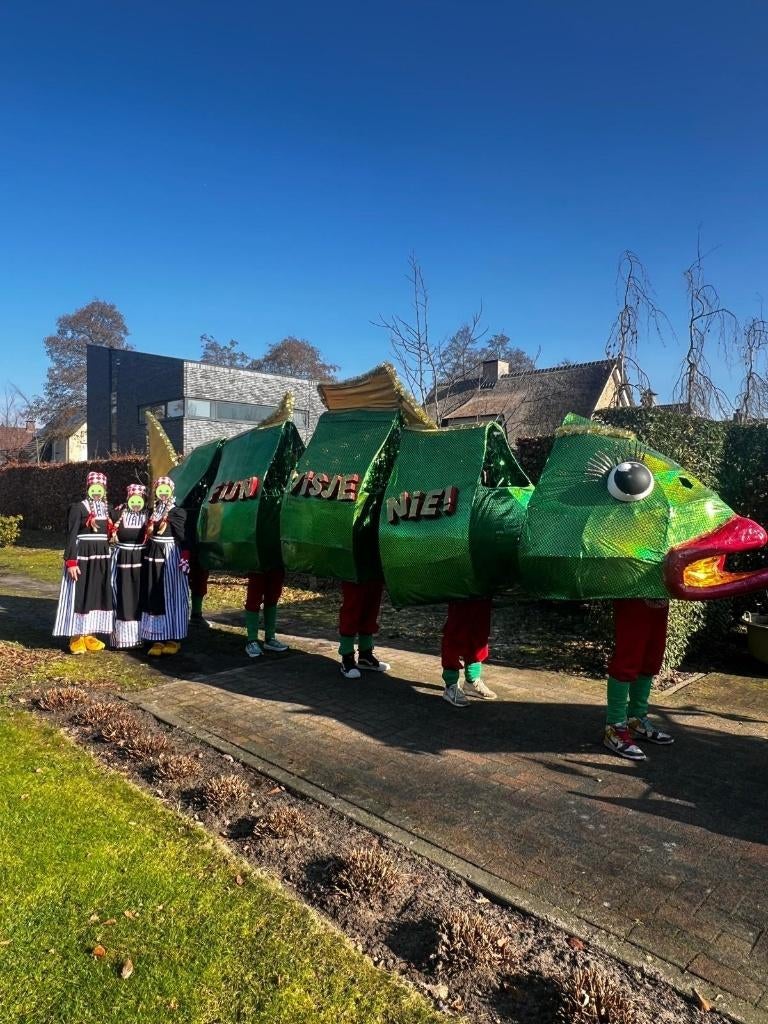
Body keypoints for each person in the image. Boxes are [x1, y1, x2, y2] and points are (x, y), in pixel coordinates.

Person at [603, 598, 674, 760]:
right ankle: (614, 727)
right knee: (628, 656)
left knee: (651, 656)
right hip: (632, 592)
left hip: (659, 592)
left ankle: (636, 720)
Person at [53, 471, 114, 654]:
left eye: (100, 489)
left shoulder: (108, 509)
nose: (97, 492)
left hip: (101, 557)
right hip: (82, 556)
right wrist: (71, 561)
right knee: (79, 593)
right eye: (93, 488)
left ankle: (90, 634)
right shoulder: (78, 508)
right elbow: (71, 535)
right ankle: (76, 636)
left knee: (96, 593)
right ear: (88, 488)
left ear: (104, 490)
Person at [139, 476, 190, 656]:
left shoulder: (177, 512)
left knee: (171, 594)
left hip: (170, 556)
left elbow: (184, 536)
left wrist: (185, 556)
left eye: (165, 490)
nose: (162, 493)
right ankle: (157, 637)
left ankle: (173, 637)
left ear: (171, 491)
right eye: (160, 490)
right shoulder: (153, 511)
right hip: (153, 554)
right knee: (154, 594)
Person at [110, 484, 148, 649]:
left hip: (142, 560)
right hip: (122, 560)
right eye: (133, 499)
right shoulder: (119, 513)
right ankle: (123, 638)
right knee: (123, 595)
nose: (136, 503)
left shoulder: (149, 515)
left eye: (139, 500)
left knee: (140, 595)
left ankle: (142, 636)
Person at [441, 598, 497, 707]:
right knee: (456, 631)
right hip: (460, 591)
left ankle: (471, 681)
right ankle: (450, 685)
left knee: (480, 630)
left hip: (482, 591)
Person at [338, 580, 391, 679]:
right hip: (354, 573)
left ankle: (365, 655)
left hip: (375, 573)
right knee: (352, 606)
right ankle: (347, 657)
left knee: (372, 606)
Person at [244, 569, 290, 657]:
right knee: (254, 598)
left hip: (275, 565)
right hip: (257, 566)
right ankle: (252, 641)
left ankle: (270, 639)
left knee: (273, 596)